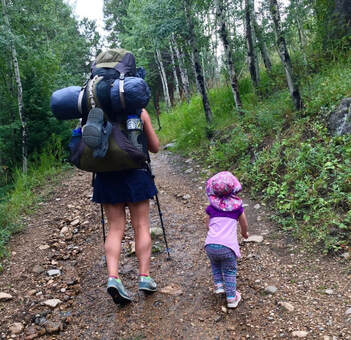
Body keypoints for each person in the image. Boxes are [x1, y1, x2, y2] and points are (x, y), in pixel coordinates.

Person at [92, 108, 160, 304]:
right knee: (141, 225)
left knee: (115, 228)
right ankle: (144, 277)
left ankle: (113, 278)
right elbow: (154, 147)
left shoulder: (94, 109)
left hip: (106, 177)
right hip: (136, 174)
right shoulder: (138, 110)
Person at [204, 171, 249, 308]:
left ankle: (219, 285)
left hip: (210, 244)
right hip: (228, 247)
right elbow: (244, 224)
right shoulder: (237, 209)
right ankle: (231, 298)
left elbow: (207, 224)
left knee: (216, 263)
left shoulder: (211, 208)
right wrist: (244, 233)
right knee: (229, 271)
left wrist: (212, 233)